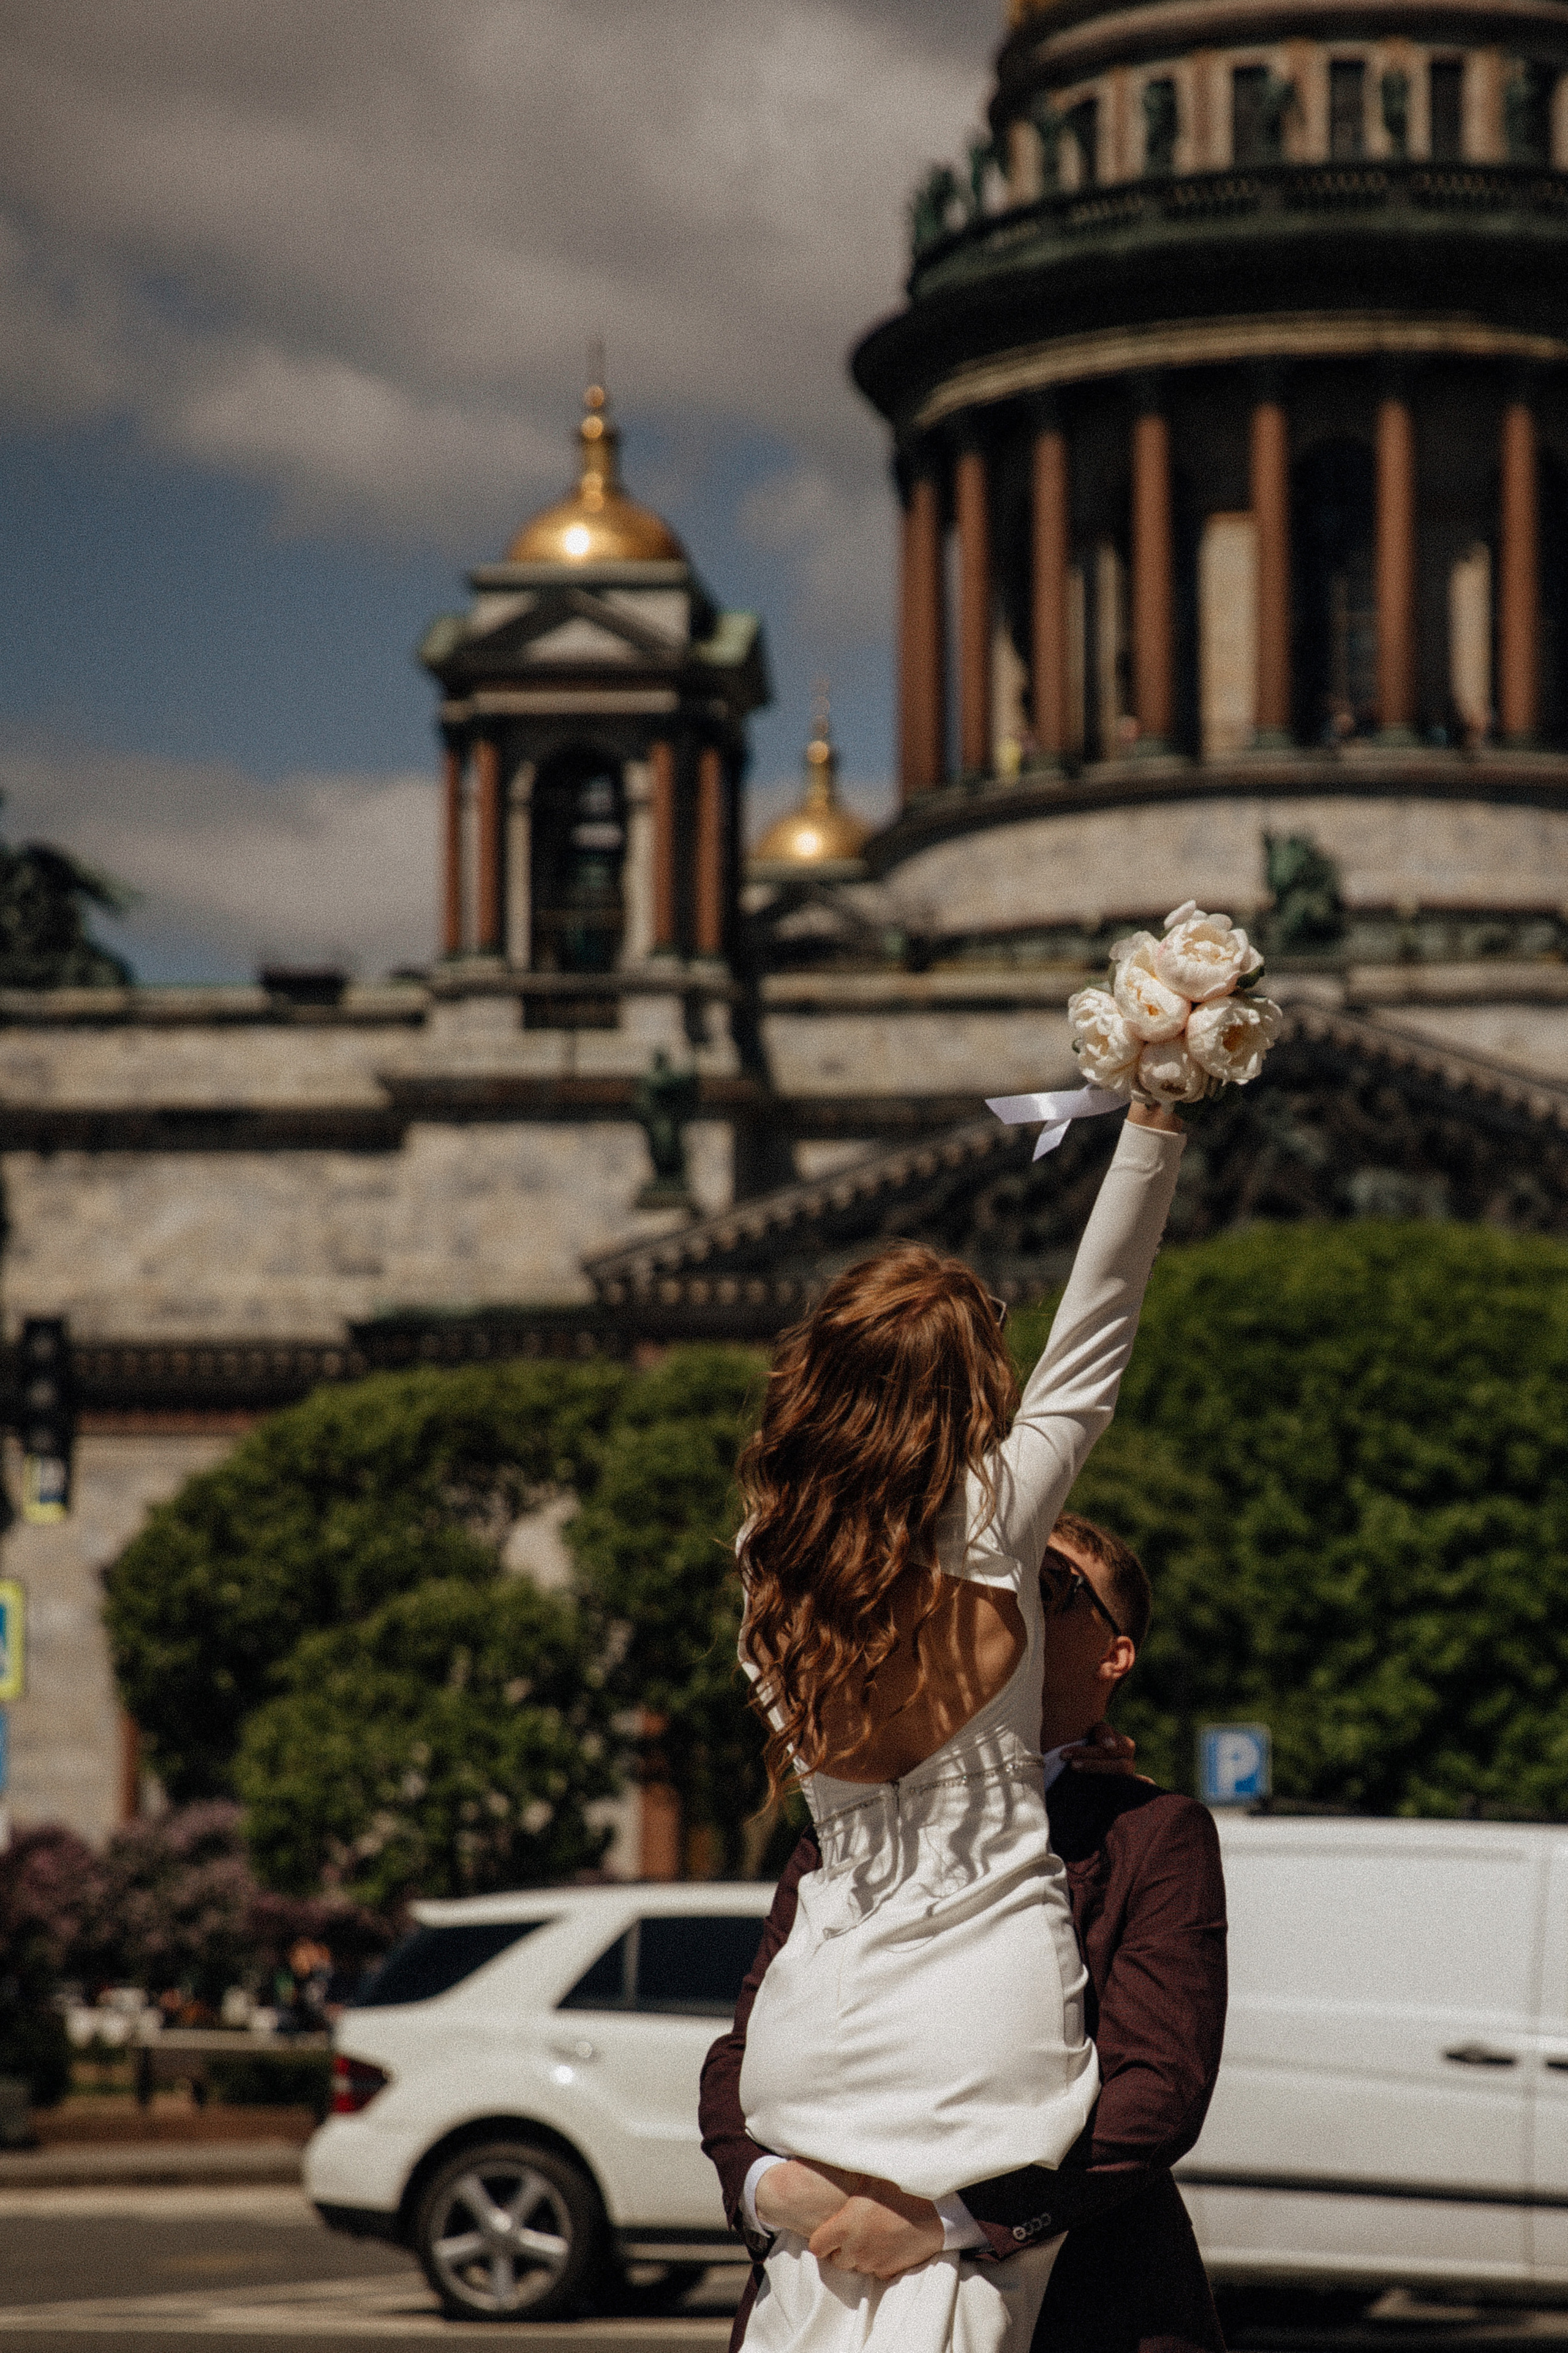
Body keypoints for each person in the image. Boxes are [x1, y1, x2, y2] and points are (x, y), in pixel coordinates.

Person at [720, 1100, 1186, 2353]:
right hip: (984, 2029)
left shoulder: (768, 1557)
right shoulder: (998, 1519)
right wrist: (1152, 1121)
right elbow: (1097, 1323)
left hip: (811, 2031)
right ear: (966, 1386)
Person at [701, 1511, 1229, 2353]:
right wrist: (770, 2186)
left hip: (1079, 2313)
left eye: (1048, 1583)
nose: (1007, 1589)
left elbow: (1159, 2090)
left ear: (1114, 1653)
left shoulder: (1152, 1831)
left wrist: (952, 2220)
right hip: (820, 2303)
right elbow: (741, 2052)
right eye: (988, 1572)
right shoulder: (858, 1811)